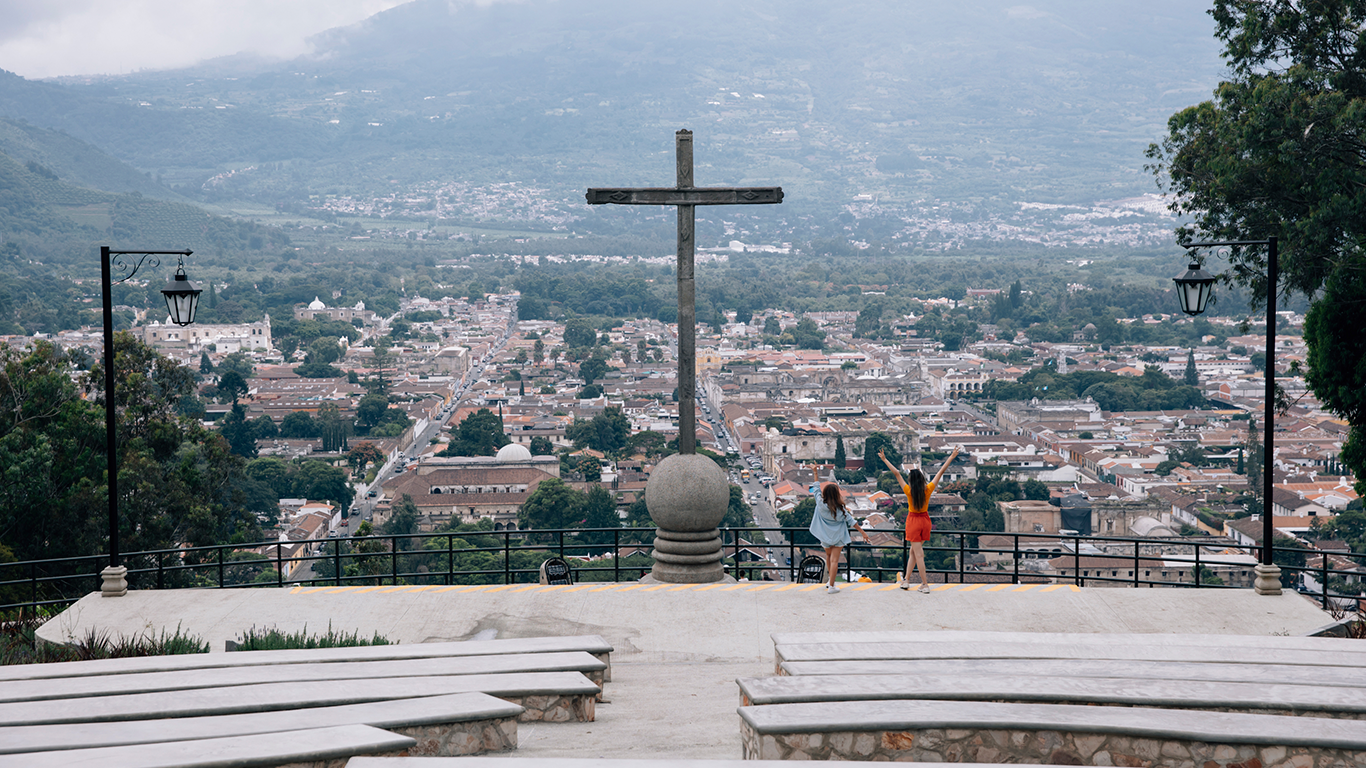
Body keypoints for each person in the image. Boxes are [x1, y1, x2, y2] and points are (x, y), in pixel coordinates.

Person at [881, 446, 960, 593]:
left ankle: (924, 584)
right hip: (925, 521)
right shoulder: (928, 489)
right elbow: (941, 471)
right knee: (913, 552)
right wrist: (951, 457)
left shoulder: (908, 491)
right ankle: (906, 579)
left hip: (913, 522)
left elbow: (897, 473)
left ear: (910, 480)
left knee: (918, 554)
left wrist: (885, 460)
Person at [807, 479, 868, 594]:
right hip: (838, 537)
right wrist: (862, 532)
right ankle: (831, 586)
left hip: (825, 536)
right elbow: (852, 521)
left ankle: (831, 582)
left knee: (829, 558)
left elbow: (816, 489)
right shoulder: (841, 509)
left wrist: (815, 472)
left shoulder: (820, 504)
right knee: (835, 560)